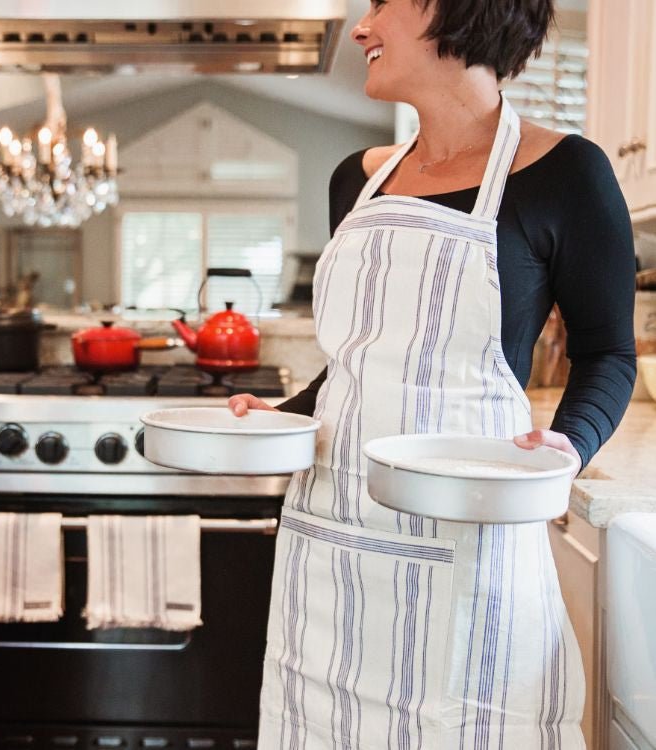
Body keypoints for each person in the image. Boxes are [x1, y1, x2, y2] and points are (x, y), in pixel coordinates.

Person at [229, 0, 636, 746]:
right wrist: (281, 416)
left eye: (382, 3)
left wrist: (569, 446)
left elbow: (608, 352)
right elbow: (358, 359)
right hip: (331, 551)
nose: (360, 28)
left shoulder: (566, 174)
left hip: (472, 548)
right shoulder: (355, 180)